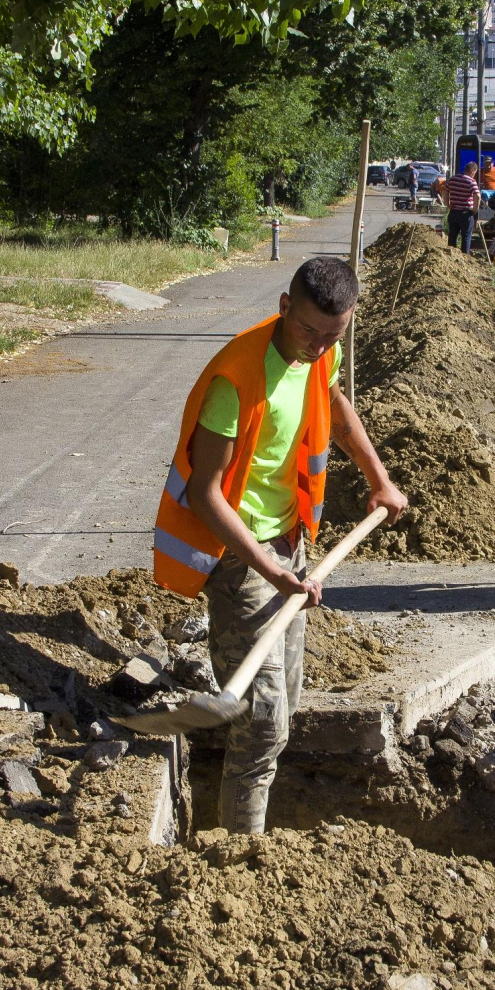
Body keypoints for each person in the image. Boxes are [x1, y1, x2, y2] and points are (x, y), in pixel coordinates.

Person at [154, 257, 408, 834]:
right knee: (263, 722)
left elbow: (335, 405)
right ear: (284, 306)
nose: (319, 347)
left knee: (283, 708)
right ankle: (239, 857)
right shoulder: (235, 380)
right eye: (309, 332)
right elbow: (204, 494)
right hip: (237, 557)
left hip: (287, 546)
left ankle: (251, 838)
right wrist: (270, 571)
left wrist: (378, 477)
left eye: (333, 336)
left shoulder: (320, 353)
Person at [445, 160, 481, 253]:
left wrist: (447, 203)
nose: (474, 175)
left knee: (452, 236)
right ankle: (465, 257)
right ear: (472, 171)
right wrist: (475, 209)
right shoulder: (471, 181)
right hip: (465, 213)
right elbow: (477, 195)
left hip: (453, 212)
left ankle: (450, 256)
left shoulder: (453, 179)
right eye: (474, 173)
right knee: (466, 236)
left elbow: (445, 190)